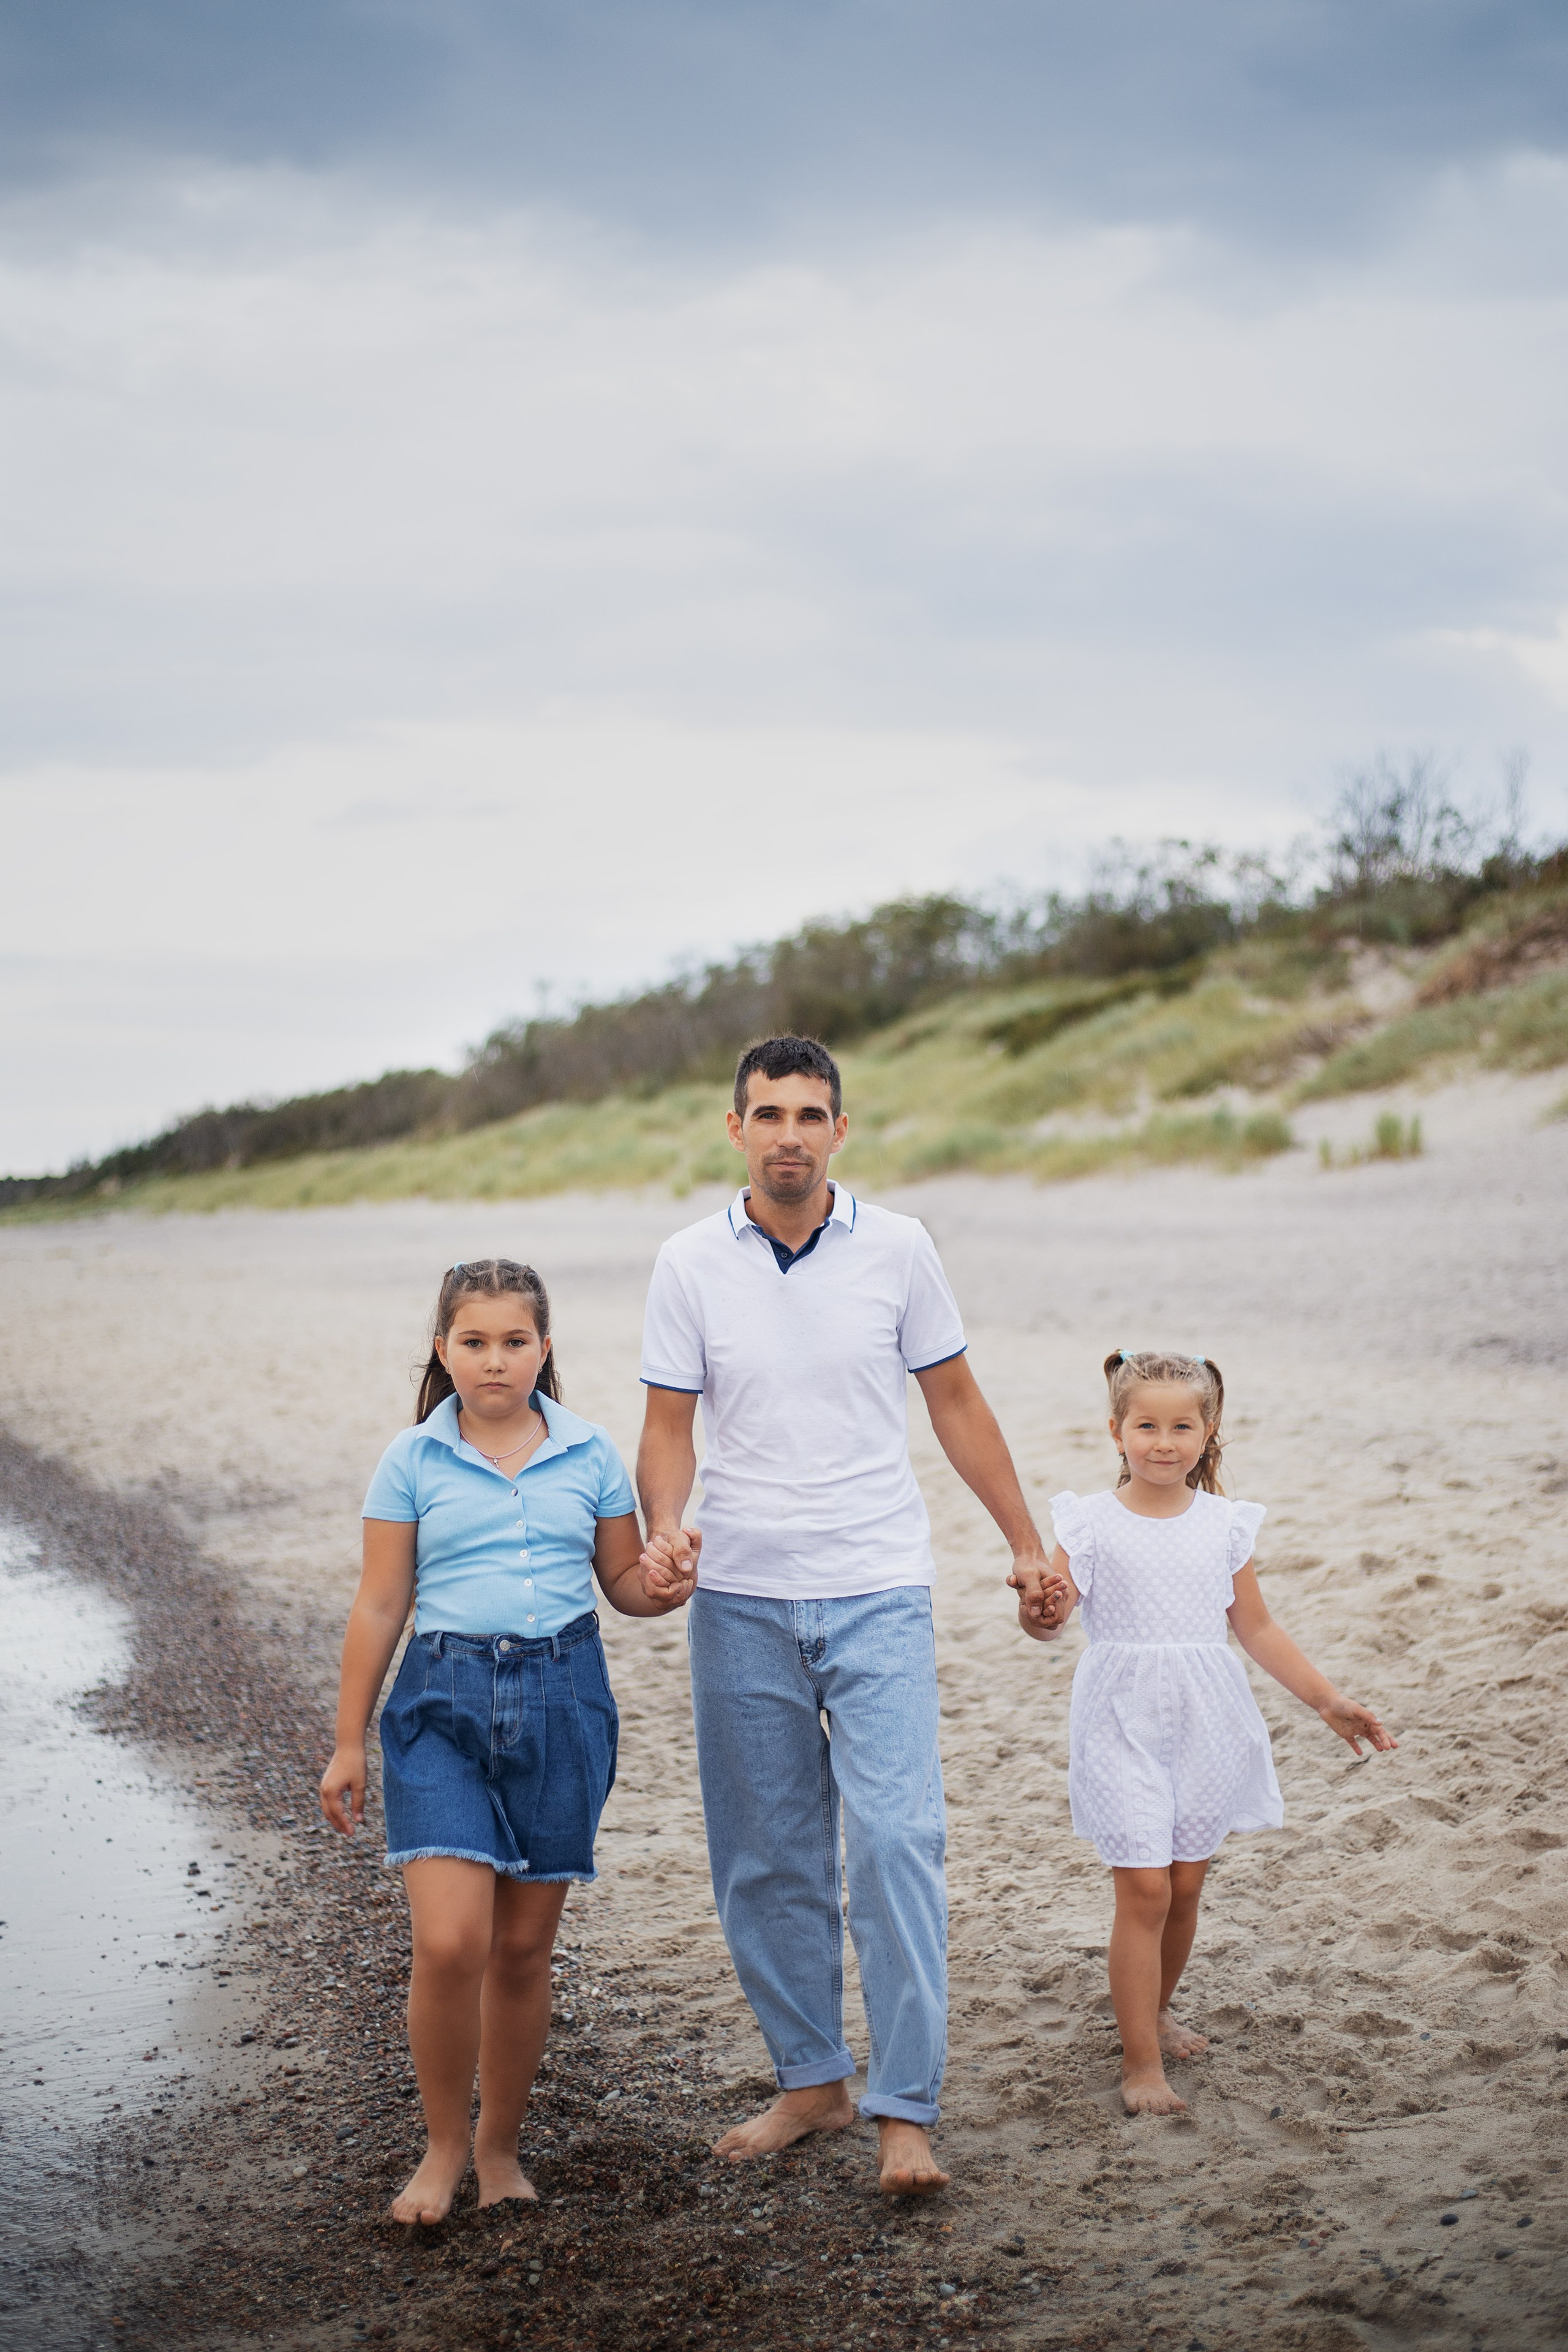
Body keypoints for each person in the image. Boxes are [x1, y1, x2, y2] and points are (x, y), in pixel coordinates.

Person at [637, 1033, 1055, 2197]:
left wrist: (1025, 1542)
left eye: (810, 1114)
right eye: (767, 1114)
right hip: (739, 1596)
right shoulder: (687, 1263)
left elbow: (958, 1403)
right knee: (765, 1858)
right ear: (736, 1130)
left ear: (839, 1130)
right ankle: (813, 2081)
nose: (788, 1135)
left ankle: (904, 2106)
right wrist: (665, 1528)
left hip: (878, 1584)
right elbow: (668, 1428)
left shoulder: (901, 1248)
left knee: (896, 1843)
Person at [318, 1257, 693, 2226]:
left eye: (515, 1341)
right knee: (451, 1942)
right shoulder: (411, 1460)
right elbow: (380, 1603)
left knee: (523, 1953)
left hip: (565, 1700)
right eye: (474, 1342)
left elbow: (625, 1586)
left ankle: (498, 2153)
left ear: (545, 1347)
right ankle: (441, 2149)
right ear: (443, 1350)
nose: (495, 1361)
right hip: (438, 1704)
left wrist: (667, 1581)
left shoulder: (591, 1453)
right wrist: (348, 1742)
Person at [1023, 1348, 1397, 2115]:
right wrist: (1042, 1609)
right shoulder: (1087, 1520)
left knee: (1186, 1885)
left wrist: (1325, 1700)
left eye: (1181, 1426)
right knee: (1144, 1886)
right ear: (1116, 1430)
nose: (1164, 1441)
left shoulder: (1225, 1524)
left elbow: (1255, 1627)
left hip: (1207, 1719)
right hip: (1120, 1717)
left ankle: (1156, 2007)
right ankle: (1139, 2063)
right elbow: (1055, 1618)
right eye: (1147, 1425)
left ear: (1209, 1429)